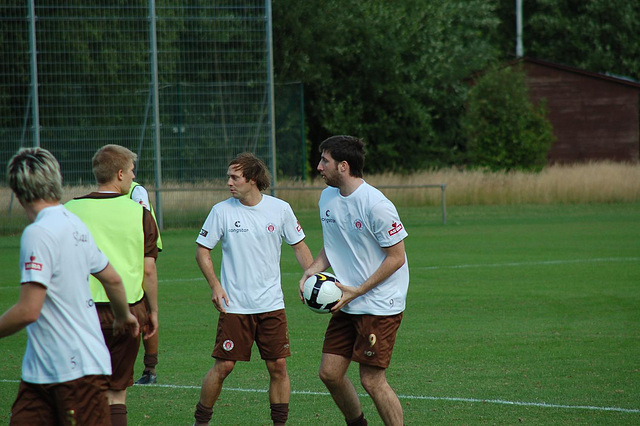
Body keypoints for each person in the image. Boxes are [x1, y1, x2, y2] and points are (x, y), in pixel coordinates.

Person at [1, 147, 139, 425]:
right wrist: (124, 316)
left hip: (75, 372)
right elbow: (112, 278)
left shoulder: (38, 233)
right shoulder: (73, 223)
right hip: (39, 374)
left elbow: (29, 310)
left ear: (17, 192)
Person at [193, 152, 313, 426]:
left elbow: (299, 245)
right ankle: (200, 422)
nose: (229, 183)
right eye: (229, 177)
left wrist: (311, 277)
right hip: (235, 306)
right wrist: (215, 286)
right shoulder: (221, 211)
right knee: (223, 366)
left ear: (253, 179)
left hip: (272, 304)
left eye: (234, 177)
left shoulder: (280, 209)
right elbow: (202, 252)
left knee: (278, 367)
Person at [299, 135, 409, 426]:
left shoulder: (376, 205)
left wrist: (358, 290)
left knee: (372, 380)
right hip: (347, 302)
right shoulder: (327, 198)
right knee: (330, 373)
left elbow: (396, 257)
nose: (319, 166)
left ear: (343, 166)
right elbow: (333, 245)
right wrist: (313, 269)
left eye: (325, 161)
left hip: (379, 304)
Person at [65, 144, 159, 426]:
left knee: (83, 390)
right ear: (119, 174)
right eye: (131, 171)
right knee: (117, 393)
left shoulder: (69, 211)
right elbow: (149, 270)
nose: (133, 177)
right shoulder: (139, 213)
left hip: (80, 312)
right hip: (128, 311)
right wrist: (153, 312)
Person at [129, 181, 163, 385]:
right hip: (124, 254)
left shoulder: (135, 190)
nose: (134, 174)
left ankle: (150, 369)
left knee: (145, 310)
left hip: (140, 254)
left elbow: (143, 221)